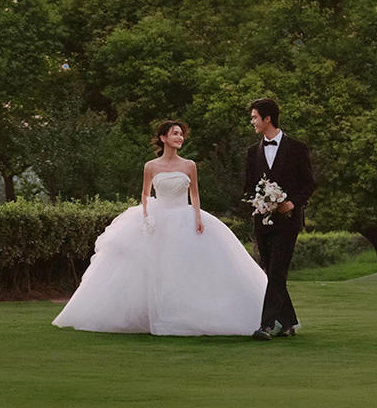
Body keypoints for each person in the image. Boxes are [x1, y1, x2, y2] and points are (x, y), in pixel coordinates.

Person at [53, 120, 267, 336]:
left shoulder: (189, 165)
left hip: (184, 215)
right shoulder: (151, 166)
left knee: (186, 267)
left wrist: (197, 215)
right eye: (175, 134)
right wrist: (146, 216)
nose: (180, 137)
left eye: (181, 134)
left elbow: (194, 193)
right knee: (151, 269)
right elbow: (145, 194)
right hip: (158, 217)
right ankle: (148, 315)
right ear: (163, 138)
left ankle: (185, 313)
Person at [243, 96, 316, 340]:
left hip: (288, 221)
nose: (252, 121)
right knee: (271, 272)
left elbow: (309, 183)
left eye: (254, 117)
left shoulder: (297, 148)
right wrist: (259, 203)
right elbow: (248, 187)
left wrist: (292, 202)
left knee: (277, 271)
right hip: (262, 222)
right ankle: (289, 322)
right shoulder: (252, 152)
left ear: (267, 118)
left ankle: (266, 325)